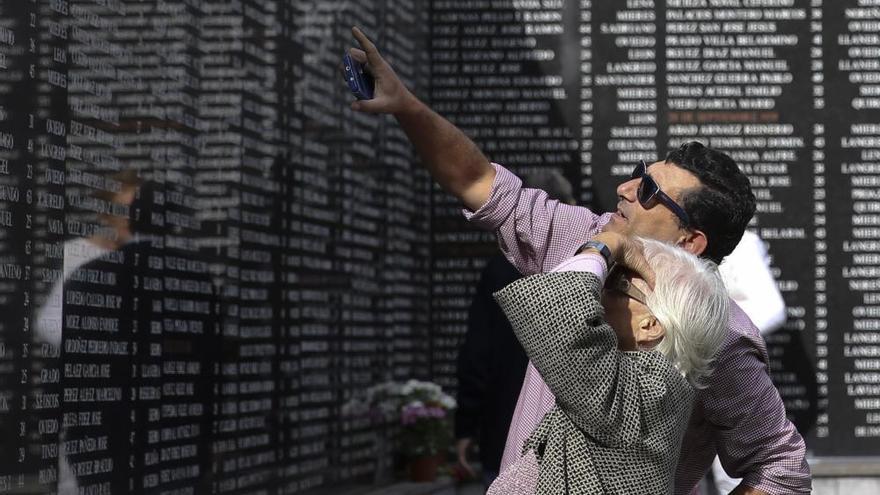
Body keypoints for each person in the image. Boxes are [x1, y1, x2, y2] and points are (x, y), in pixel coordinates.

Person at [344, 27, 811, 494]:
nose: (626, 190)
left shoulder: (722, 337)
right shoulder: (589, 235)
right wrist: (405, 105)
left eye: (648, 192)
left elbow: (779, 465)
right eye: (636, 175)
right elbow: (480, 182)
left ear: (690, 240)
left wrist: (604, 248)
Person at [488, 234, 728, 494]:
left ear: (650, 325)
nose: (600, 285)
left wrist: (608, 244)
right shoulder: (647, 385)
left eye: (617, 282)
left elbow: (554, 301)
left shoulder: (646, 393)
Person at [455, 171, 577, 488]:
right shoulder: (588, 269)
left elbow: (477, 352)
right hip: (571, 442)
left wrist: (466, 426)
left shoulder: (498, 270)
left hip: (503, 430)